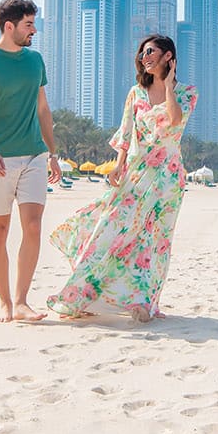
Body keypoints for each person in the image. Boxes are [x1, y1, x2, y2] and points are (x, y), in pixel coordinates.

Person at [47, 35, 196, 323]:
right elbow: (126, 133)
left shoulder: (187, 92)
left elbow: (176, 120)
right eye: (142, 53)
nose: (144, 57)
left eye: (150, 51)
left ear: (168, 56)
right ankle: (84, 293)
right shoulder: (135, 93)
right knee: (110, 229)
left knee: (156, 242)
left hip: (168, 179)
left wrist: (168, 85)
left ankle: (145, 303)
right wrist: (118, 165)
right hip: (137, 174)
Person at [0, 0, 63, 324]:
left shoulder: (35, 61)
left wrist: (53, 154)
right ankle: (4, 303)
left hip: (35, 154)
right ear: (10, 26)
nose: (34, 30)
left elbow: (43, 110)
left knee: (32, 227)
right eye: (28, 24)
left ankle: (21, 302)